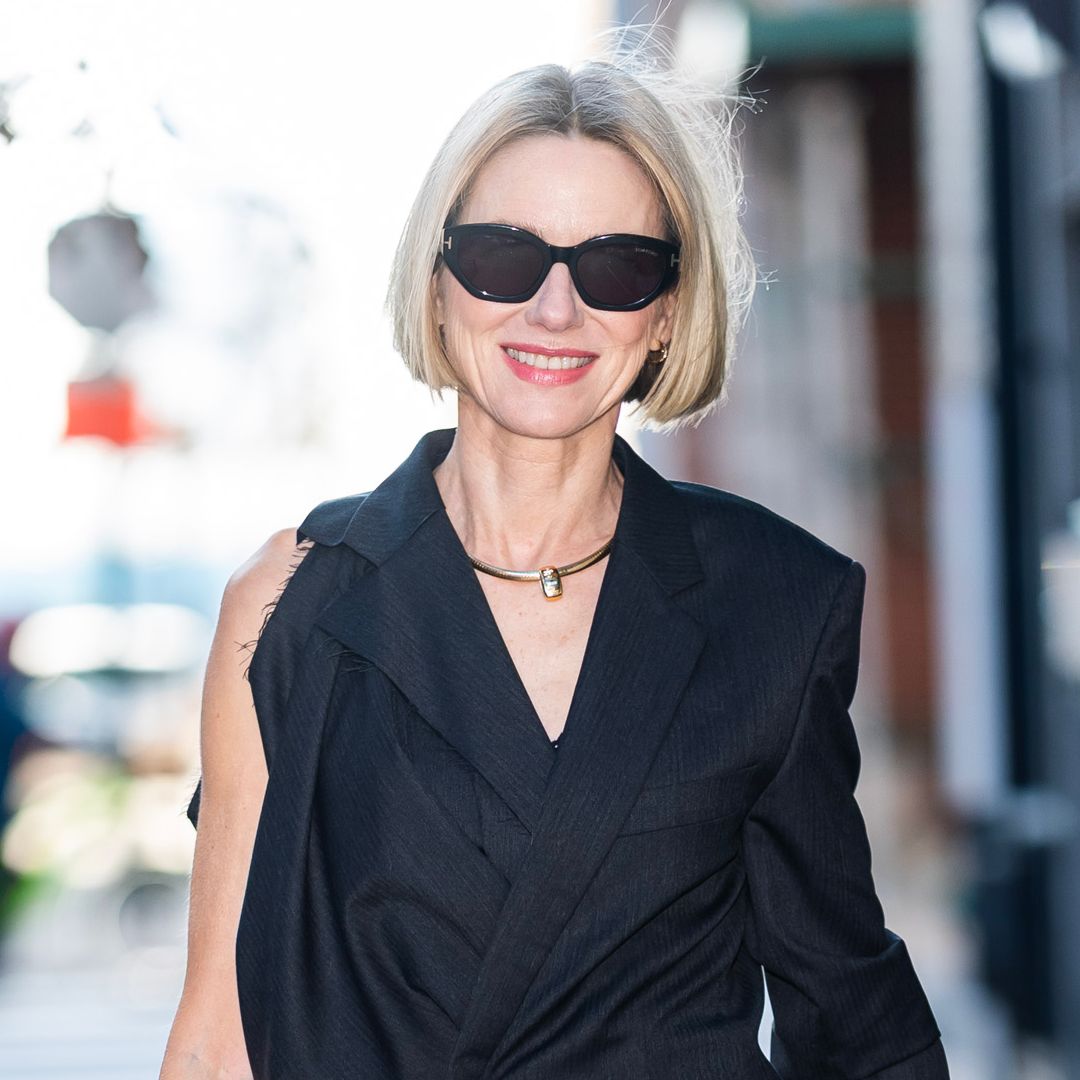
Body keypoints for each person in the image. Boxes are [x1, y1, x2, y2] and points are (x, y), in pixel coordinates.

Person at [161, 55, 949, 1080]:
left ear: (667, 311)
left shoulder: (776, 603)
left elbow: (853, 1021)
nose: (555, 309)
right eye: (502, 256)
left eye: (618, 266)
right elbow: (216, 1041)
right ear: (438, 284)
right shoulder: (289, 606)